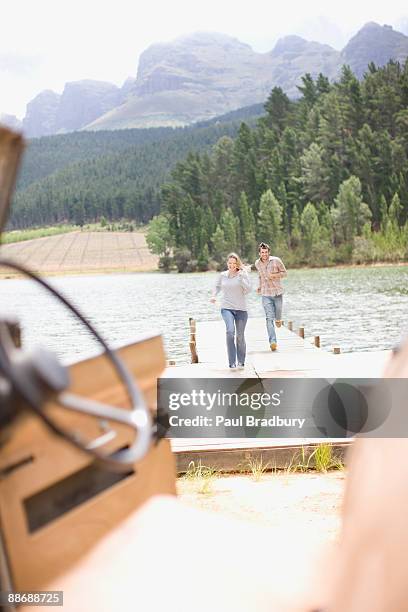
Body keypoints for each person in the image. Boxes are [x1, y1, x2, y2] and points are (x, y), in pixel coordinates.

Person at [211, 253, 251, 369]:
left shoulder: (242, 274)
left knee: (240, 336)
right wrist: (214, 296)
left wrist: (242, 277)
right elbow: (217, 287)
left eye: (234, 263)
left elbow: (248, 290)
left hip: (241, 310)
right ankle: (232, 362)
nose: (232, 265)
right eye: (230, 263)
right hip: (226, 308)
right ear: (227, 263)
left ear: (237, 264)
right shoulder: (222, 275)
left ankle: (241, 361)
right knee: (230, 332)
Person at [255, 242, 287, 351]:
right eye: (262, 252)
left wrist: (274, 275)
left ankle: (278, 319)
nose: (264, 254)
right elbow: (260, 276)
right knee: (269, 318)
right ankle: (273, 342)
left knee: (277, 315)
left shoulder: (276, 261)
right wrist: (259, 286)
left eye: (266, 252)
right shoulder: (257, 263)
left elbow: (284, 273)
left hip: (277, 292)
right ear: (259, 253)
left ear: (269, 252)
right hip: (265, 294)